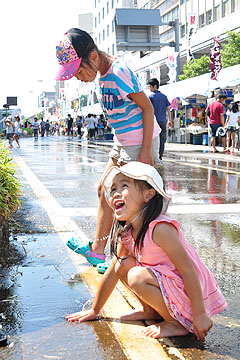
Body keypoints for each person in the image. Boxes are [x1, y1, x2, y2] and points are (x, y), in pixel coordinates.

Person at [65, 162, 227, 341]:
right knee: (123, 263)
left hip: (189, 294)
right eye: (113, 189)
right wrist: (95, 310)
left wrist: (200, 314)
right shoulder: (128, 232)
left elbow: (188, 271)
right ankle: (151, 311)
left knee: (136, 276)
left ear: (149, 194)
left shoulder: (160, 229)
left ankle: (176, 323)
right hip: (170, 287)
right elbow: (112, 273)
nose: (115, 193)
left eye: (124, 186)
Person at [55, 28, 161, 271]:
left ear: (93, 56)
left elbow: (147, 108)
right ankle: (98, 251)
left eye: (78, 71)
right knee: (104, 189)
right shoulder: (101, 75)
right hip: (122, 141)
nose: (78, 78)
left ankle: (124, 259)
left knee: (127, 201)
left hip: (138, 142)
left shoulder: (119, 72)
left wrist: (145, 150)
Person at [148, 78, 171, 165]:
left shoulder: (151, 97)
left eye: (150, 86)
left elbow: (148, 110)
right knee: (162, 140)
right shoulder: (164, 97)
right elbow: (168, 109)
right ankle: (160, 157)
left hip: (154, 122)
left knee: (153, 140)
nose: (150, 88)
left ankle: (155, 157)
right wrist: (170, 119)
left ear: (155, 86)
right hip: (163, 121)